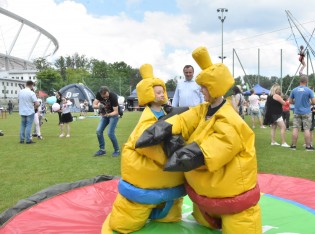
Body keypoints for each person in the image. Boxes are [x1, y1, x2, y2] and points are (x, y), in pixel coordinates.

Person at [136, 47, 262, 233]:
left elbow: (220, 145)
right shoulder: (204, 109)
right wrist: (164, 128)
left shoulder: (231, 119)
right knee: (203, 223)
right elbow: (184, 119)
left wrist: (188, 154)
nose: (201, 90)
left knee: (240, 225)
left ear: (214, 87)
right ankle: (207, 214)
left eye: (204, 87)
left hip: (231, 195)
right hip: (204, 195)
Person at [102, 64, 186, 234]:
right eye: (157, 92)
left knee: (171, 216)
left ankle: (166, 209)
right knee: (125, 222)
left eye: (162, 90)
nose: (162, 94)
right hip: (148, 179)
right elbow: (146, 144)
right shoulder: (146, 120)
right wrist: (171, 159)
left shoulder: (168, 113)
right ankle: (132, 215)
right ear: (148, 94)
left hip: (169, 180)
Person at [289, 75, 315, 151]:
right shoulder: (309, 90)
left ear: (299, 81)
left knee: (295, 128)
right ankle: (308, 146)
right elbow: (314, 102)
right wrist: (308, 103)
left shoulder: (294, 90)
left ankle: (293, 146)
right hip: (306, 112)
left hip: (297, 112)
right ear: (306, 81)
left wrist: (296, 102)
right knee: (307, 129)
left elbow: (290, 101)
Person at [93, 86, 120, 157]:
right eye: (103, 97)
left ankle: (117, 150)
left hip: (113, 116)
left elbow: (116, 112)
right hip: (104, 116)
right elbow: (94, 105)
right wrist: (99, 106)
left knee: (110, 133)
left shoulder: (113, 97)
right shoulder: (99, 94)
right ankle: (102, 150)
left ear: (108, 92)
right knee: (98, 131)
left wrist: (108, 114)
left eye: (106, 96)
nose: (105, 98)